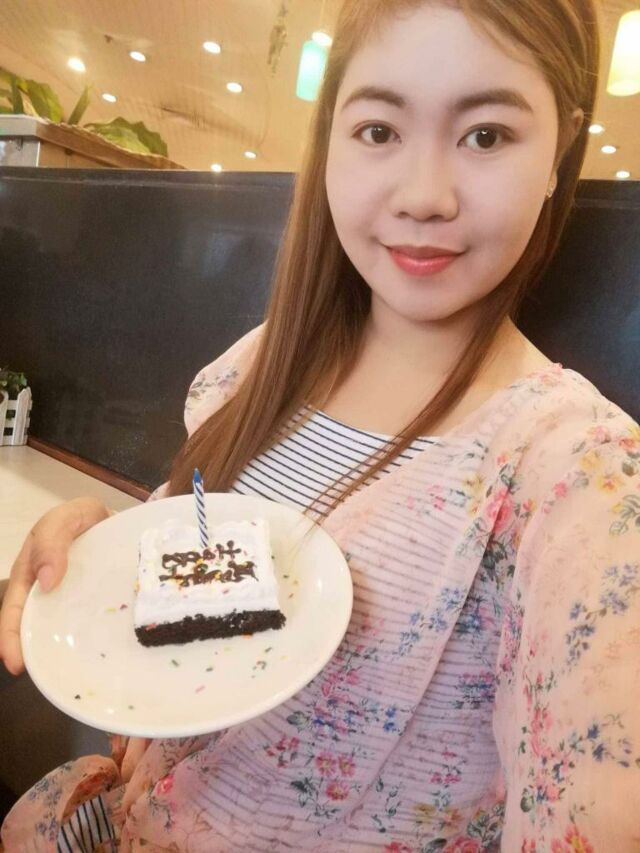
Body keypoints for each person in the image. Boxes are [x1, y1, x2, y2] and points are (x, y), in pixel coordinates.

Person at [2, 0, 639, 849]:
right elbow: (198, 559)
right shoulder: (261, 364)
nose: (424, 196)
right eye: (379, 130)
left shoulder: (579, 478)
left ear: (559, 152)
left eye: (485, 135)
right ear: (331, 140)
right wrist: (95, 553)